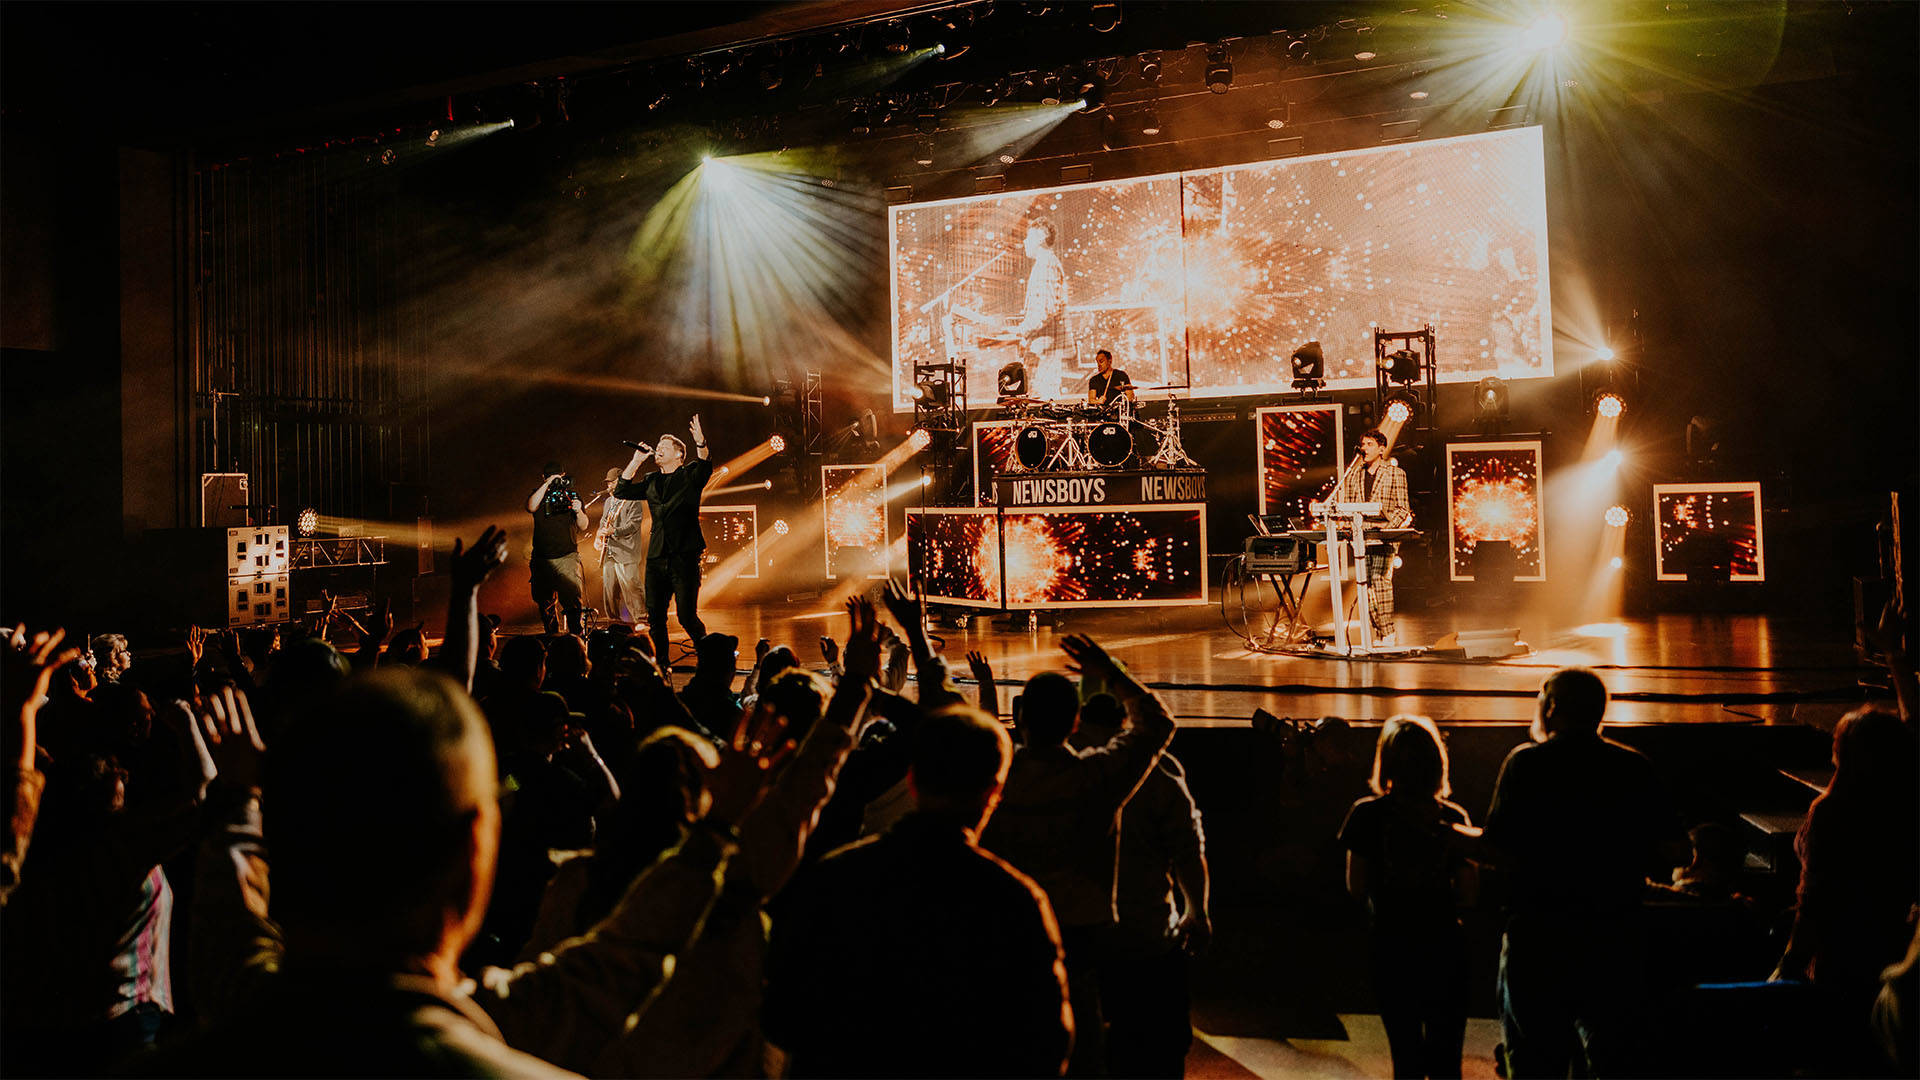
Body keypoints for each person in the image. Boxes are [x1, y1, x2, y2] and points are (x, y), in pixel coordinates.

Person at [168, 669, 787, 1079]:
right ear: (472, 853)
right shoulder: (510, 1031)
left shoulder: (232, 994)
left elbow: (227, 910)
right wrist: (715, 831)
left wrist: (242, 802)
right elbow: (621, 960)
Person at [766, 705, 1073, 1078]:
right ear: (994, 792)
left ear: (912, 781)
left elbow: (781, 1013)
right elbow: (1046, 1040)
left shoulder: (835, 878)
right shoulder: (1014, 899)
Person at [980, 635, 1177, 1077]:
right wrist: (1109, 673)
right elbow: (1157, 725)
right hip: (1081, 937)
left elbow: (949, 728)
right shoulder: (1095, 780)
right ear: (1074, 722)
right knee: (1084, 1046)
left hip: (1007, 935)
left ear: (1019, 717)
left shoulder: (994, 781)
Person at [1481, 667, 1683, 1079]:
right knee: (1614, 1058)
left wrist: (1443, 832)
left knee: (1536, 1060)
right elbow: (1680, 850)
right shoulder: (1633, 767)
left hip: (1539, 937)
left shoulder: (1526, 764)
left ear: (1551, 709)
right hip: (1613, 935)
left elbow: (1497, 849)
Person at [1069, 693, 1208, 1079]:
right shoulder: (1160, 769)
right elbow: (1187, 850)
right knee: (1157, 1049)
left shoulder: (1064, 767)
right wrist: (1197, 911)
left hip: (1084, 939)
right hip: (1146, 935)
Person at [1771, 708, 1918, 1067]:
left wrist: (1789, 965)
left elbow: (1816, 901)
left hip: (1839, 956)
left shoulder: (1833, 812)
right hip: (1888, 943)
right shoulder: (1905, 807)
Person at [1339, 715, 1475, 1080]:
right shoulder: (1454, 818)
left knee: (1406, 1056)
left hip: (1392, 946)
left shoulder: (1366, 815)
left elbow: (1355, 885)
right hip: (1445, 946)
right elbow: (1468, 893)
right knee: (1447, 1058)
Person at [615, 416, 713, 672]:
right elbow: (621, 490)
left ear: (679, 454)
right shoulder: (650, 480)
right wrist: (636, 460)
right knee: (655, 617)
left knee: (686, 616)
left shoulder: (690, 474)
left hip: (684, 556)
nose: (659, 449)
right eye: (658, 446)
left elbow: (705, 463)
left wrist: (700, 441)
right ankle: (662, 664)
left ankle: (709, 658)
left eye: (665, 447)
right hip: (657, 557)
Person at [1335, 429, 1412, 647]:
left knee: (1380, 583)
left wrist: (1386, 529)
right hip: (1361, 537)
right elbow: (1348, 508)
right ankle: (1378, 633)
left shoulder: (1396, 474)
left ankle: (1388, 632)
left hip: (1384, 538)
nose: (1364, 448)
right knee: (1365, 586)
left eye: (1369, 444)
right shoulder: (1354, 475)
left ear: (1381, 449)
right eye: (1363, 444)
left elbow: (1403, 508)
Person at [526, 463, 589, 636]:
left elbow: (583, 526)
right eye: (550, 477)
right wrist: (547, 484)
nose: (555, 480)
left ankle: (577, 636)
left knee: (572, 600)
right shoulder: (538, 495)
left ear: (564, 475)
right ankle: (552, 635)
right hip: (542, 558)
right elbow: (530, 507)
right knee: (545, 602)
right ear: (544, 478)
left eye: (558, 477)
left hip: (566, 556)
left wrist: (579, 512)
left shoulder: (572, 495)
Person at [1015, 220, 1069, 399]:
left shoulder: (1046, 264)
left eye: (1028, 236)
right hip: (1044, 348)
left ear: (1041, 237)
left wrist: (1020, 330)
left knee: (1042, 401)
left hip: (1045, 349)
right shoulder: (1045, 263)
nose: (1024, 242)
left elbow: (1045, 310)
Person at [594, 467, 646, 627]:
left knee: (631, 585)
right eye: (608, 482)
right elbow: (604, 522)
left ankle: (642, 619)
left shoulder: (633, 499)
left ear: (621, 481)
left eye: (612, 482)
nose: (609, 485)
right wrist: (598, 536)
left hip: (626, 551)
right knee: (609, 587)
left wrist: (614, 531)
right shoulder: (609, 502)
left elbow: (634, 524)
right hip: (610, 550)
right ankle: (613, 620)